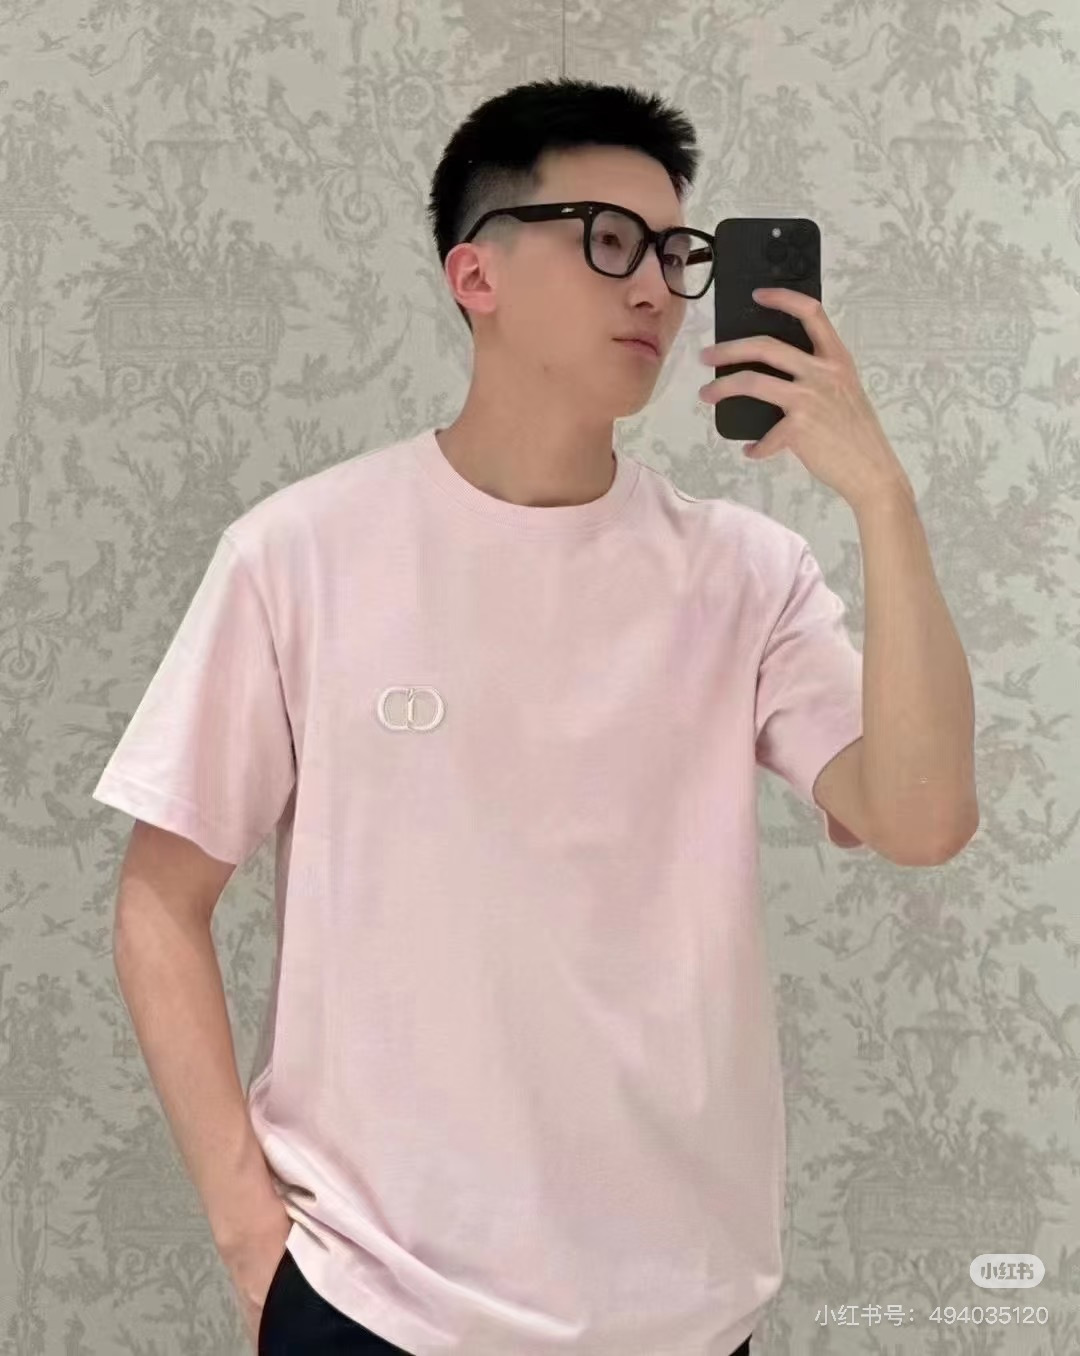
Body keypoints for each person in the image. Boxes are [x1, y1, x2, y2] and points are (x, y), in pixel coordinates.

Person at [95, 76, 874, 1355]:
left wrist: (881, 495)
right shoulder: (302, 553)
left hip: (686, 1310)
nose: (656, 289)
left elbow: (920, 816)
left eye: (676, 254)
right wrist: (252, 1242)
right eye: (608, 240)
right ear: (476, 274)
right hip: (377, 1301)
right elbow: (158, 903)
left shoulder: (745, 574)